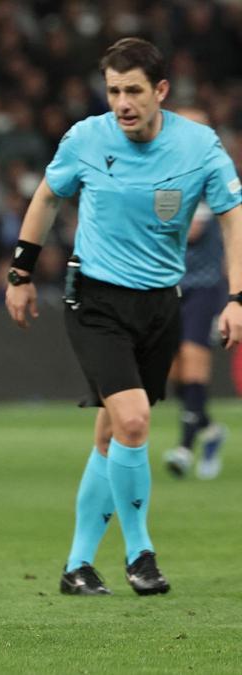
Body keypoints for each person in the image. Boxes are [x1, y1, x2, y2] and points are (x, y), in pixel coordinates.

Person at [5, 38, 242, 597]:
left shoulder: (199, 147)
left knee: (113, 437)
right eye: (113, 91)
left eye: (133, 90)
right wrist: (20, 273)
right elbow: (46, 197)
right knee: (134, 421)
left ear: (160, 91)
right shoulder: (87, 138)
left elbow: (233, 221)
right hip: (95, 300)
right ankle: (141, 554)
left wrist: (238, 296)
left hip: (161, 304)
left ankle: (77, 566)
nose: (122, 102)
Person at [162, 109, 228, 480]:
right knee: (174, 375)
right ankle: (210, 431)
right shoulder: (168, 173)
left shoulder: (210, 174)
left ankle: (185, 448)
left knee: (192, 359)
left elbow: (190, 230)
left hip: (203, 285)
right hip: (169, 284)